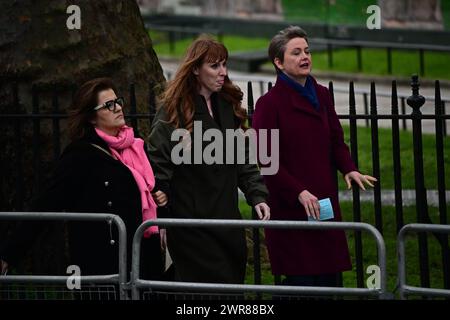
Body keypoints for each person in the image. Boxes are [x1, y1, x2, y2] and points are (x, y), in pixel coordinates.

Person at [0, 78, 166, 280]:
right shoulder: (81, 155)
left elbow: (148, 190)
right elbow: (45, 204)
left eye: (118, 101)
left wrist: (161, 194)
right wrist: (8, 255)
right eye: (108, 105)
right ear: (91, 117)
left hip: (144, 259)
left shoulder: (135, 147)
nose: (117, 108)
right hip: (105, 265)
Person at [252, 26, 377, 288]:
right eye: (296, 52)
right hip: (290, 206)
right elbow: (267, 161)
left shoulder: (322, 94)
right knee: (301, 282)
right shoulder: (269, 104)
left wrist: (348, 168)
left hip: (324, 201)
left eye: (307, 51)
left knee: (329, 278)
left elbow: (335, 139)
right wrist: (298, 191)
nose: (304, 57)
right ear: (278, 62)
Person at [148, 36, 270, 284]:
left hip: (227, 219)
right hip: (192, 224)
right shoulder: (174, 109)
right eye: (215, 66)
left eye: (224, 64)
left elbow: (242, 158)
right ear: (195, 69)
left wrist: (256, 194)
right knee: (203, 292)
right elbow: (157, 169)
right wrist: (161, 218)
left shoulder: (227, 104)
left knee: (232, 288)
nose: (223, 72)